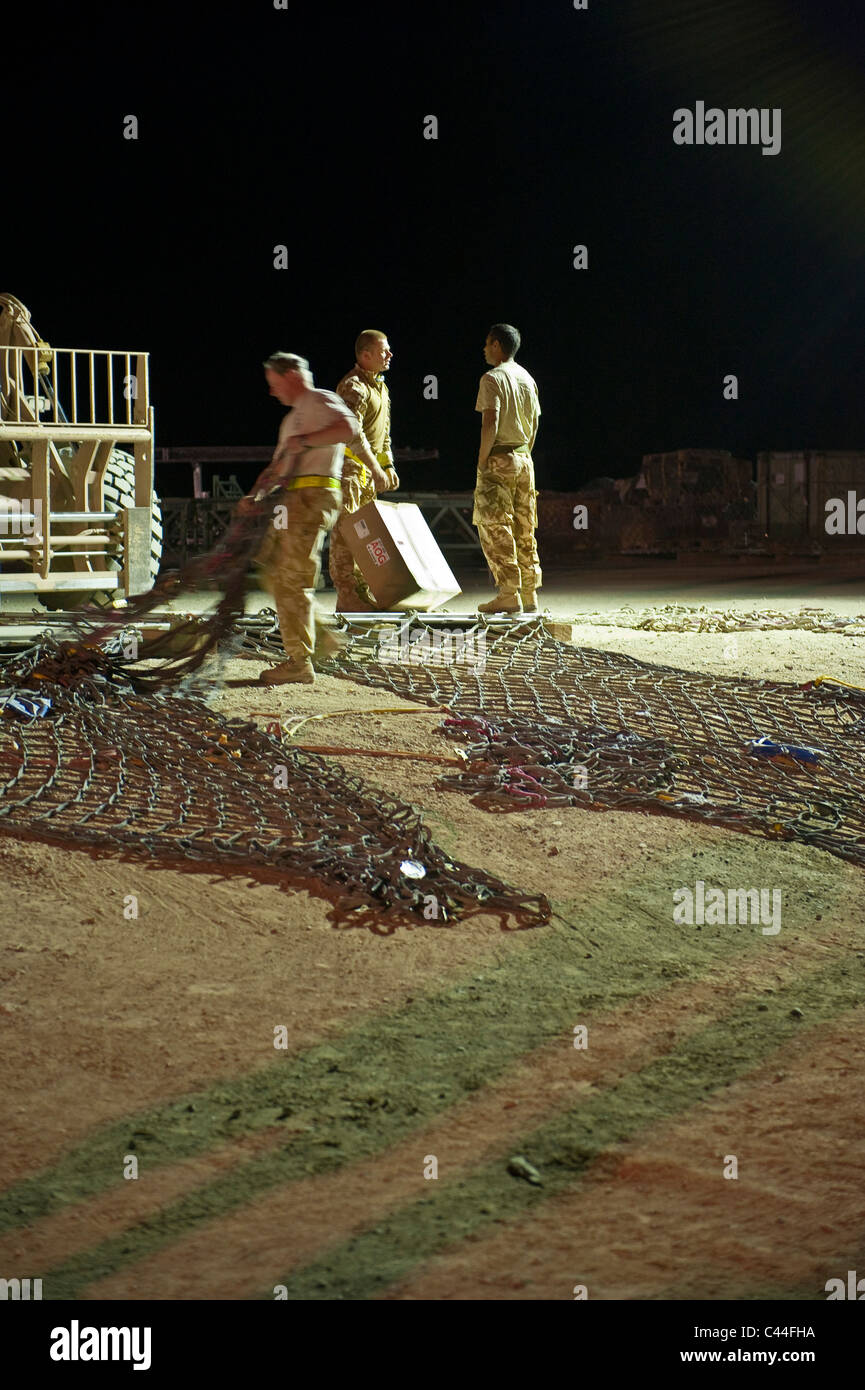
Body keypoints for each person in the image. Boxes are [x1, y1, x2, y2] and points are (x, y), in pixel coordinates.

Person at [238, 352, 357, 684]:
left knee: (292, 578)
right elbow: (278, 466)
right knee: (273, 570)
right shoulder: (291, 419)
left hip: (312, 495)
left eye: (274, 384)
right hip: (292, 500)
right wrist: (255, 494)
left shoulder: (319, 400)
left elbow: (348, 428)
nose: (272, 392)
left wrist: (304, 441)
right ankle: (322, 640)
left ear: (290, 374)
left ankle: (299, 662)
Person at [473, 323, 542, 614]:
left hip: (500, 458)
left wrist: (483, 459)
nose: (485, 348)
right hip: (525, 459)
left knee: (495, 524)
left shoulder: (492, 378)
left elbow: (491, 421)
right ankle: (529, 594)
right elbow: (535, 423)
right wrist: (524, 453)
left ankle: (507, 592)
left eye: (488, 343)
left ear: (498, 345)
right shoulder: (528, 379)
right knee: (524, 526)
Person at [331, 329, 399, 612]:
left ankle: (359, 593)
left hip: (366, 475)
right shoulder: (353, 386)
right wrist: (375, 467)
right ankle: (347, 596)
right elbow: (353, 435)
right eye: (384, 351)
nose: (390, 355)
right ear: (365, 355)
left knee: (364, 536)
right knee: (346, 536)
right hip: (348, 473)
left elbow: (382, 436)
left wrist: (388, 465)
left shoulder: (379, 388)